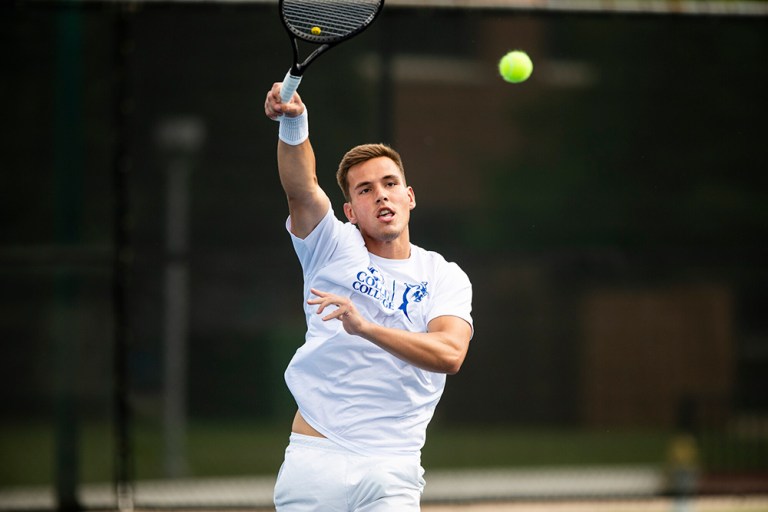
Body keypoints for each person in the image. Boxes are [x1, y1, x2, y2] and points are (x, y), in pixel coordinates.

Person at [264, 81, 474, 511]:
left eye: (390, 183)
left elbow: (450, 354)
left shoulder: (444, 276)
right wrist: (293, 122)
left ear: (409, 197)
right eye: (364, 190)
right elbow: (301, 189)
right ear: (351, 212)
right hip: (316, 456)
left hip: (392, 468)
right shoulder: (332, 246)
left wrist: (366, 328)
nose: (380, 193)